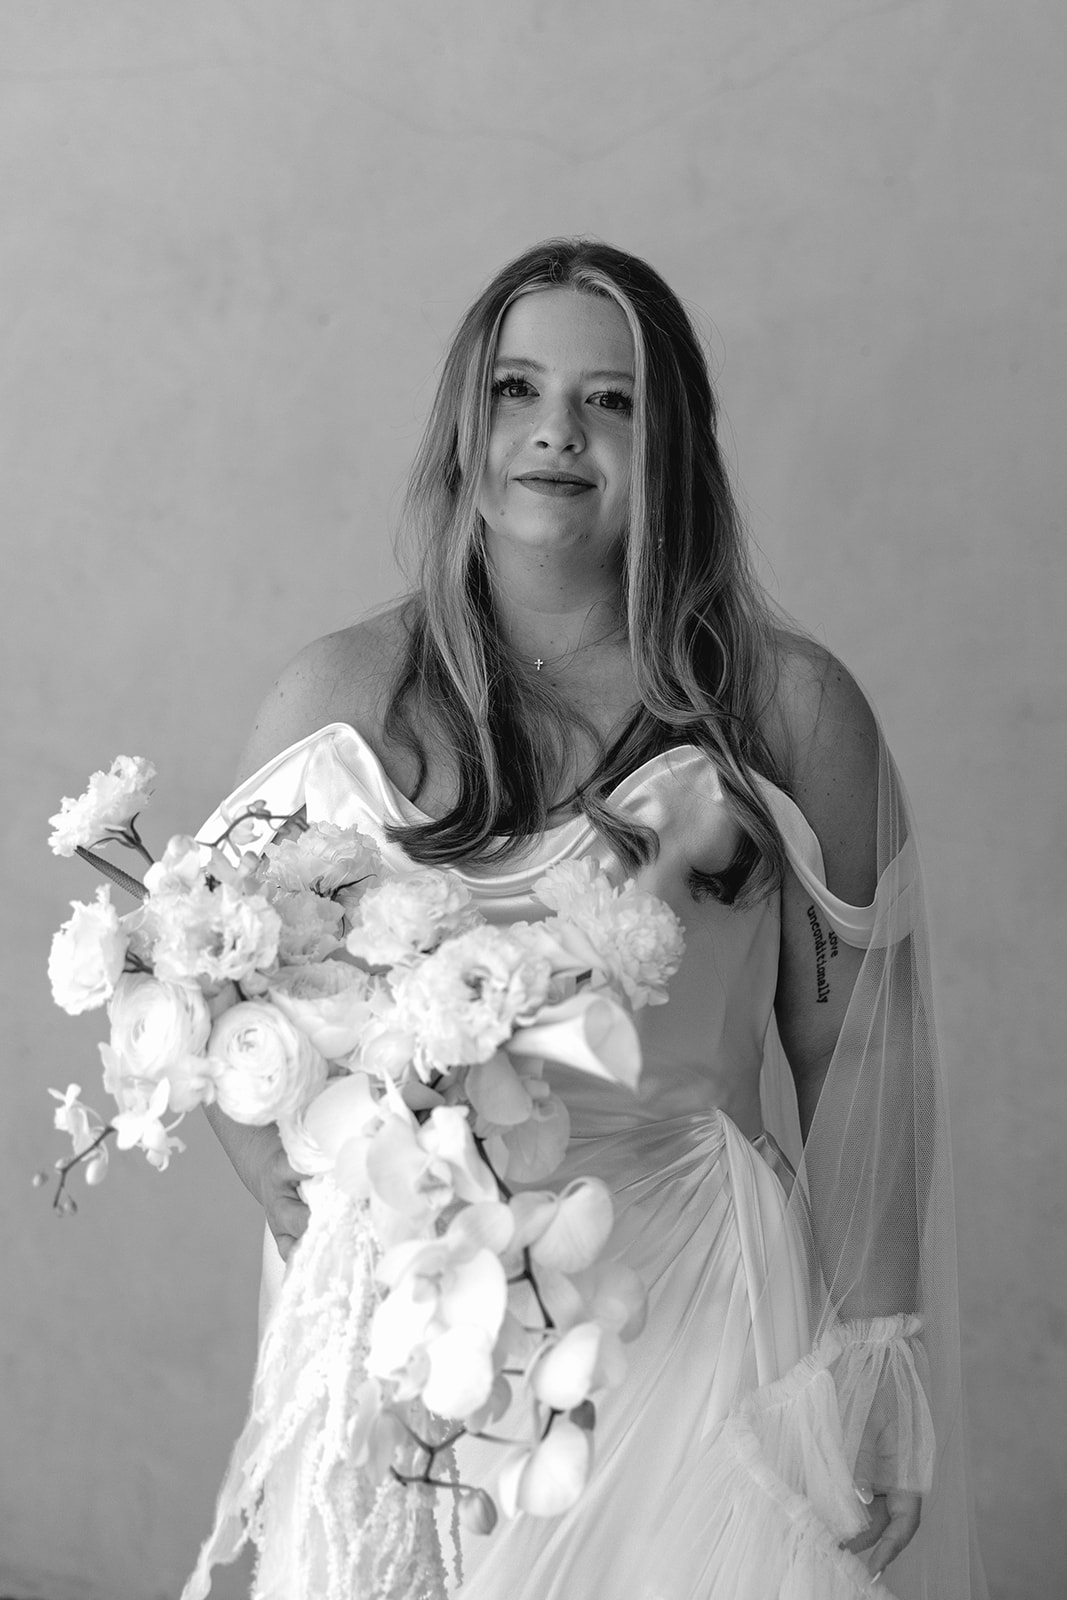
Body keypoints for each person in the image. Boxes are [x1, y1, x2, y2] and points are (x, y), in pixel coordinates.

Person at [201, 238, 985, 1598]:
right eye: (517, 389)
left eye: (609, 399)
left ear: (669, 437)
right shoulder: (339, 699)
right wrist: (324, 1225)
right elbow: (227, 1002)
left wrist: (874, 1353)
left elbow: (857, 1049)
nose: (557, 431)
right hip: (424, 1325)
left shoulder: (790, 714)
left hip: (698, 1311)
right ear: (467, 427)